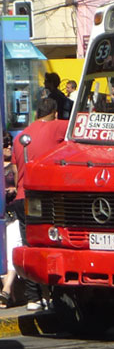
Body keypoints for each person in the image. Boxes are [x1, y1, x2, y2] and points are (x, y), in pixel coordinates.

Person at [11, 97, 68, 311]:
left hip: (22, 197)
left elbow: (17, 172)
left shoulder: (21, 137)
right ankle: (56, 296)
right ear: (54, 113)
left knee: (30, 246)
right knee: (54, 246)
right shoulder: (57, 127)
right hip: (46, 199)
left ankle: (33, 297)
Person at [1, 133, 18, 308]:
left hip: (13, 215)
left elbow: (21, 185)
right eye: (5, 144)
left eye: (10, 144)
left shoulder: (14, 166)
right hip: (1, 216)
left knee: (12, 250)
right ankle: (10, 295)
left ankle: (6, 289)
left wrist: (14, 189)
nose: (8, 147)